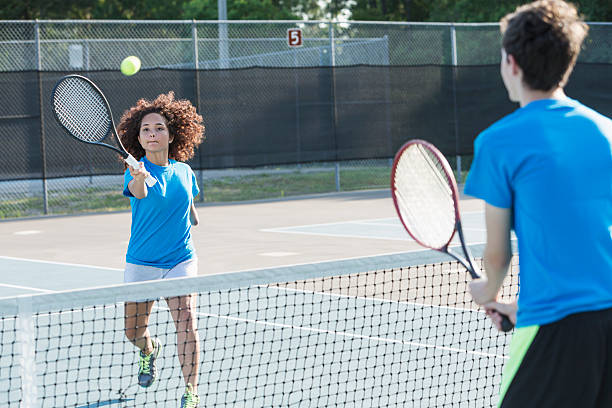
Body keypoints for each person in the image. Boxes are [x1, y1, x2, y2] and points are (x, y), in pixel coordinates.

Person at [464, 1, 612, 407]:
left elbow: (497, 256)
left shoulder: (498, 142)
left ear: (511, 63)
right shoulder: (607, 132)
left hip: (557, 331)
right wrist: (521, 306)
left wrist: (487, 290)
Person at [118, 91, 205, 408]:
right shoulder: (134, 172)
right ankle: (148, 348)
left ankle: (191, 391)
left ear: (172, 134)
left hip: (180, 260)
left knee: (186, 321)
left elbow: (189, 202)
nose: (152, 134)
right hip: (142, 263)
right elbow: (139, 193)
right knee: (132, 332)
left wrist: (192, 217)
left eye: (158, 128)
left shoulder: (184, 170)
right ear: (138, 138)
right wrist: (140, 176)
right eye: (146, 130)